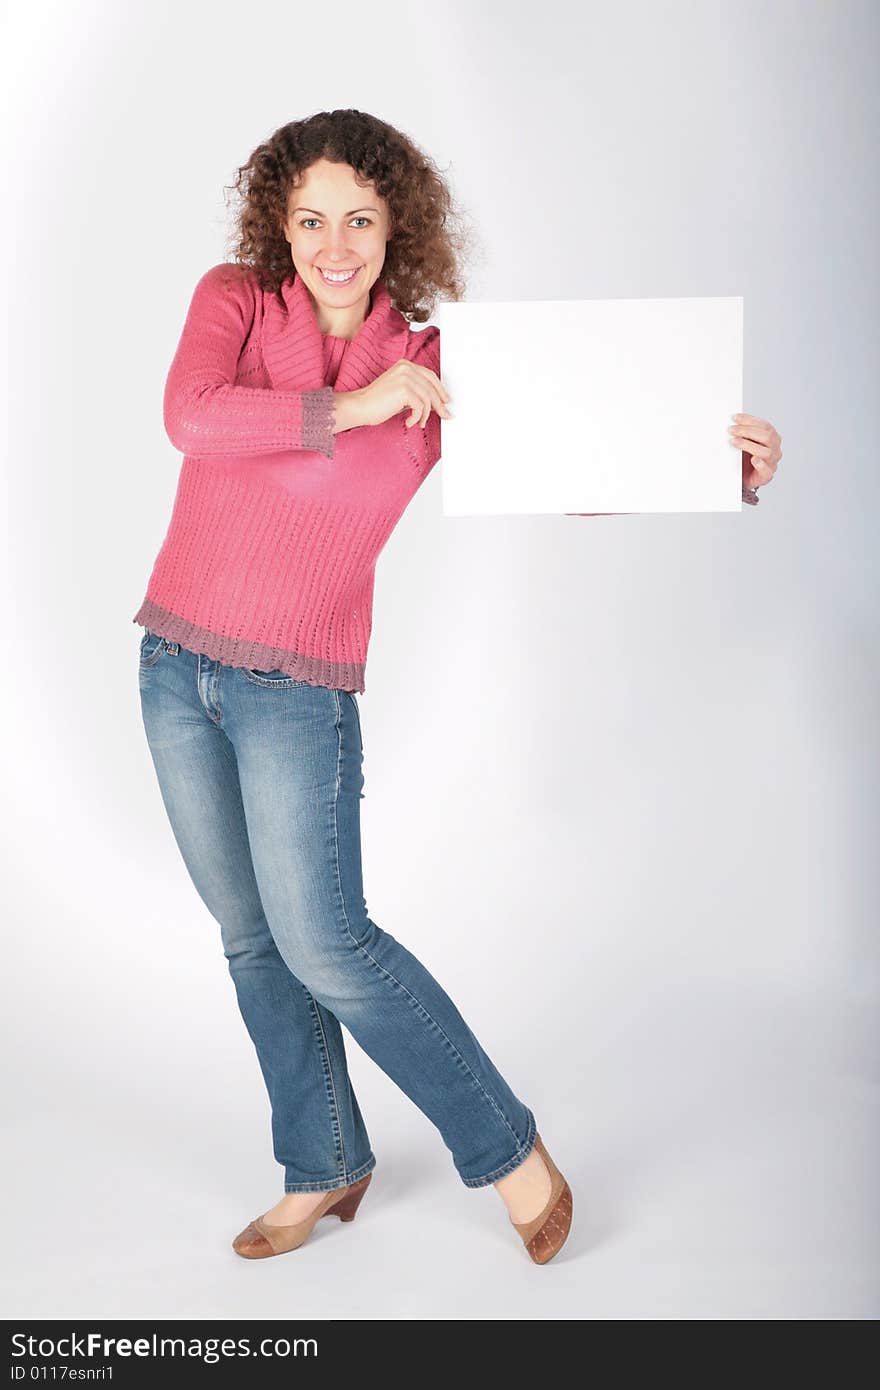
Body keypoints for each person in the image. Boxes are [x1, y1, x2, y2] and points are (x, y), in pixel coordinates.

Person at [133, 109, 782, 1267]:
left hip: (295, 691)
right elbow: (192, 417)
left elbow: (567, 458)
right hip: (175, 666)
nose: (335, 243)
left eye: (362, 219)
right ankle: (323, 1161)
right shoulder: (235, 300)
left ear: (398, 226)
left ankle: (505, 1146)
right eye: (311, 217)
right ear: (279, 221)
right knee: (249, 940)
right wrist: (352, 410)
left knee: (327, 943)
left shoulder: (432, 366)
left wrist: (715, 469)